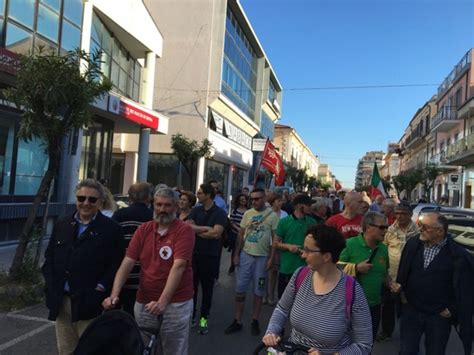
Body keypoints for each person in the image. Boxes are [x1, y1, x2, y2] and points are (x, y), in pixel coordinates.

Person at [103, 187, 195, 355]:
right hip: (144, 301)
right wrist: (114, 294)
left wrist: (162, 302)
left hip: (175, 303)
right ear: (153, 205)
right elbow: (127, 262)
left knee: (173, 350)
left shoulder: (184, 230)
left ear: (176, 207)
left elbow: (179, 266)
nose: (162, 209)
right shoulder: (144, 229)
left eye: (167, 205)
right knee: (144, 348)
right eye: (158, 204)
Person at [42, 179, 124, 355]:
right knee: (65, 350)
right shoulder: (62, 224)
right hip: (62, 302)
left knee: (91, 350)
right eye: (81, 198)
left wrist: (101, 288)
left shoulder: (111, 229)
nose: (86, 203)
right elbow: (49, 258)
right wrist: (50, 286)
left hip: (91, 303)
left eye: (92, 200)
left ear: (101, 201)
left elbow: (116, 265)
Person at [263, 224, 373, 354]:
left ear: (326, 256)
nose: (303, 255)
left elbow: (364, 344)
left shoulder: (352, 291)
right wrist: (271, 332)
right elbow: (282, 309)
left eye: (308, 250)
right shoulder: (300, 275)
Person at [394, 212, 474, 355]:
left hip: (438, 316)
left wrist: (452, 309)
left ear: (440, 231)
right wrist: (402, 294)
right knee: (407, 351)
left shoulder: (458, 255)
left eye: (425, 227)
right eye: (420, 226)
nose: (420, 230)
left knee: (435, 351)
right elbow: (403, 271)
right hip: (412, 310)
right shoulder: (413, 244)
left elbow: (466, 288)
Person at [225, 188, 279, 336]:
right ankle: (237, 320)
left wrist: (271, 258)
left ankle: (255, 321)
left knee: (258, 291)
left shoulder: (272, 216)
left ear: (264, 199)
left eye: (257, 199)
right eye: (252, 199)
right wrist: (236, 255)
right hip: (246, 257)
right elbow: (240, 236)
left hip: (262, 259)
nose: (254, 201)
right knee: (240, 289)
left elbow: (275, 239)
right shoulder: (248, 214)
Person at [339, 211, 392, 341]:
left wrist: (391, 284)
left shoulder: (383, 249)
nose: (385, 231)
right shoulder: (349, 244)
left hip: (374, 305)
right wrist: (356, 268)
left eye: (387, 227)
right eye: (382, 227)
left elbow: (384, 273)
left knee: (368, 344)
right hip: (350, 306)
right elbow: (334, 268)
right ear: (368, 227)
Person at [187, 183, 227, 334]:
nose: (197, 194)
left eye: (200, 192)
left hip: (210, 256)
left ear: (209, 195)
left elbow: (216, 234)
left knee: (207, 290)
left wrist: (196, 230)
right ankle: (192, 317)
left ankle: (204, 319)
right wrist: (206, 229)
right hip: (194, 255)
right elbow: (188, 227)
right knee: (192, 289)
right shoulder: (195, 211)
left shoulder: (220, 213)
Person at [376, 202, 418, 342]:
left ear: (410, 214)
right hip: (391, 276)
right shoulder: (389, 230)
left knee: (408, 307)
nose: (400, 216)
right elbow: (382, 250)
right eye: (397, 213)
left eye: (403, 213)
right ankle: (387, 332)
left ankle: (409, 335)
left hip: (411, 277)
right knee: (388, 306)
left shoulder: (418, 231)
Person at [112, 182, 154, 317]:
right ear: (149, 198)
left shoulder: (119, 215)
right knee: (136, 317)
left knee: (115, 317)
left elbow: (111, 243)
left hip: (120, 274)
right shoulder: (153, 217)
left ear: (129, 197)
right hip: (142, 276)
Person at [274, 194, 316, 298]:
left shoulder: (312, 222)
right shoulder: (284, 222)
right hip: (288, 267)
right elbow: (275, 243)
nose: (311, 207)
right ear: (299, 206)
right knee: (284, 299)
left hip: (308, 268)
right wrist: (288, 246)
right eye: (308, 205)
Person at [265, 193, 288, 305]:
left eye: (282, 201)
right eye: (279, 200)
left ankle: (271, 295)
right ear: (273, 201)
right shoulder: (267, 213)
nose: (281, 202)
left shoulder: (284, 214)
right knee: (263, 271)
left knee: (274, 271)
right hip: (266, 245)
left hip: (279, 245)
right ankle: (262, 294)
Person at [228, 193, 249, 274]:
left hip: (245, 234)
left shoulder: (248, 211)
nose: (243, 201)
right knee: (234, 250)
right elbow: (231, 221)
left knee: (242, 250)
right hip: (235, 233)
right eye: (241, 200)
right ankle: (232, 265)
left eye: (244, 199)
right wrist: (237, 228)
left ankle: (241, 265)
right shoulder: (235, 210)